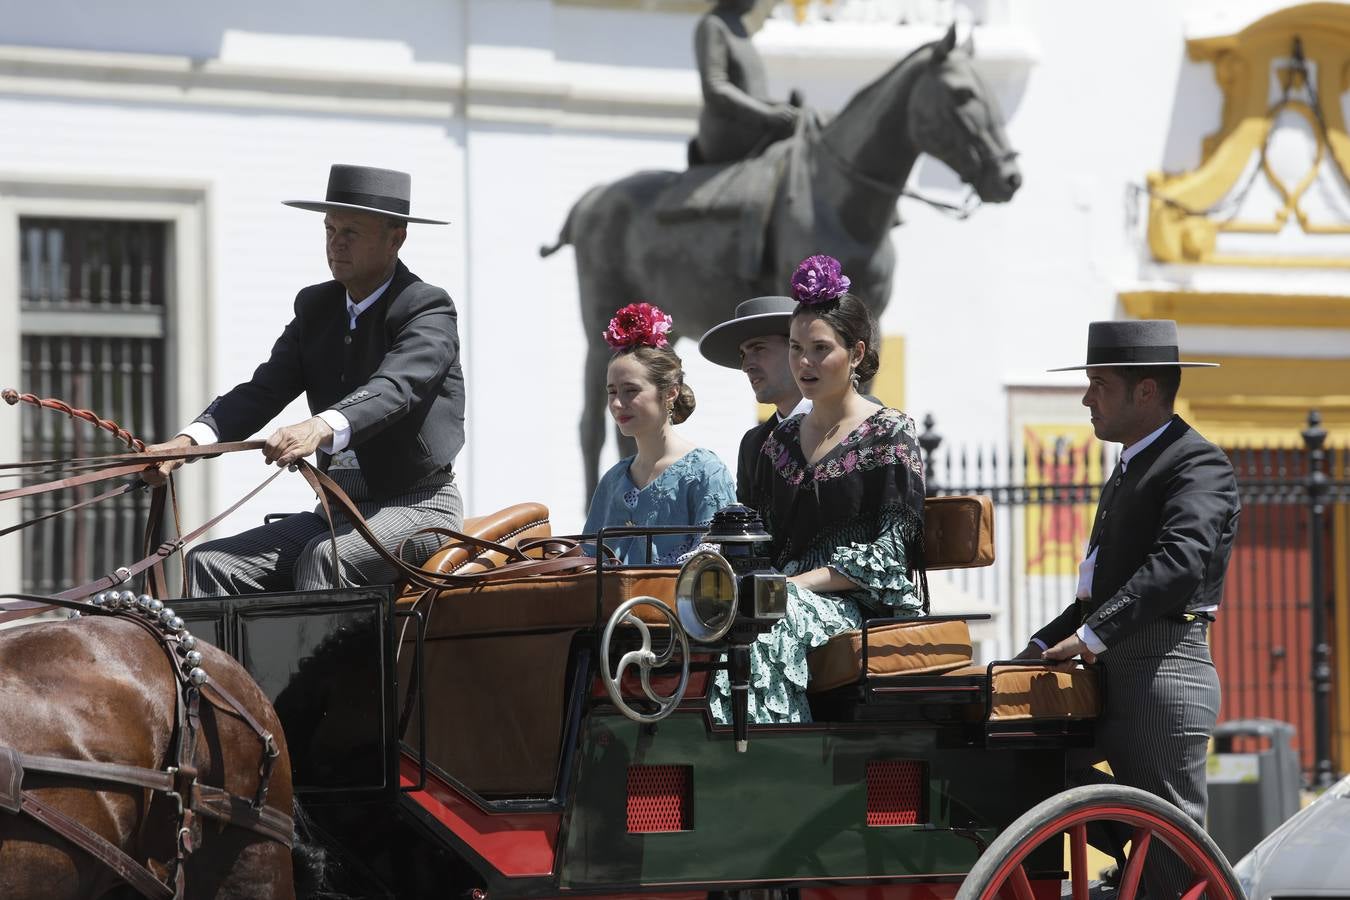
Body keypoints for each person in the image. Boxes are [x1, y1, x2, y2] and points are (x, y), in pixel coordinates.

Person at [144, 164, 466, 596]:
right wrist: (186, 444)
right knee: (208, 562)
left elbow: (396, 388)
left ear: (396, 239)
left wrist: (319, 427)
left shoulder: (427, 308)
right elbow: (263, 391)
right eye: (330, 229)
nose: (336, 242)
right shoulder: (316, 308)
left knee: (325, 558)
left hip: (420, 508)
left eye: (351, 231)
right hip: (336, 510)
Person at [1020, 319, 1240, 899]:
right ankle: (1127, 869)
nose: (1086, 398)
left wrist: (1091, 636)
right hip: (1113, 668)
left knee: (1171, 864)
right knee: (1029, 766)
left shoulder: (1198, 464)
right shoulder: (1131, 466)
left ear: (1145, 391)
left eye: (1100, 384)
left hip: (1163, 669)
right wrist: (1038, 647)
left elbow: (1178, 564)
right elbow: (1098, 592)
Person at [709, 255, 925, 725]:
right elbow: (757, 541)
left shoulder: (890, 432)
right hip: (778, 596)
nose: (804, 363)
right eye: (795, 348)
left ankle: (774, 754)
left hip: (859, 607)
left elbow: (889, 556)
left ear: (857, 354)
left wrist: (791, 586)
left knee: (765, 622)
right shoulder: (779, 441)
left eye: (820, 349)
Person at [583, 302, 736, 565]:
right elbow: (587, 561)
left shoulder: (706, 472)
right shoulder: (612, 480)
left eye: (631, 390)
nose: (617, 403)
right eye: (612, 392)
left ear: (670, 392)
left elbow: (715, 564)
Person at [697, 295, 809, 512]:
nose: (745, 365)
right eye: (743, 354)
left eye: (758, 348)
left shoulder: (851, 422)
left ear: (796, 349)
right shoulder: (753, 444)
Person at [692, 0, 800, 166]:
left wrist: (779, 108)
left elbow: (753, 93)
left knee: (806, 120)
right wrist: (768, 113)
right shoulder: (713, 25)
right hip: (728, 131)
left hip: (752, 122)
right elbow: (715, 87)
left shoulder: (738, 26)